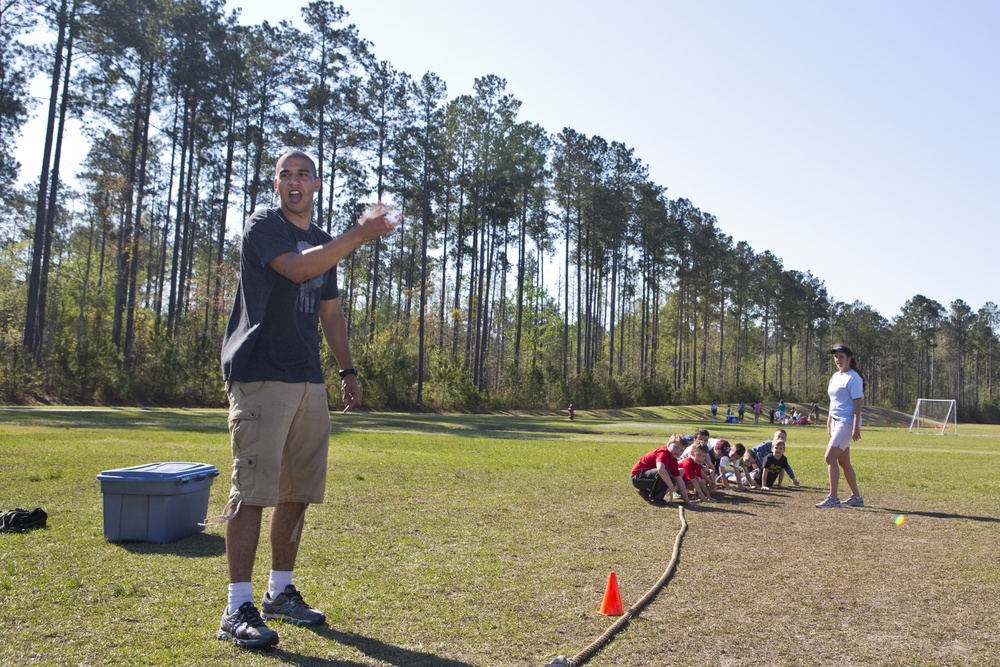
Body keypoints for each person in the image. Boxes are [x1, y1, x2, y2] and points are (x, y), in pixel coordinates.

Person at [215, 150, 400, 648]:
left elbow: (331, 313)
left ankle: (280, 593)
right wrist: (358, 235)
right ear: (276, 184)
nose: (294, 182)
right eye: (285, 175)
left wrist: (347, 369)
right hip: (260, 374)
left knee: (297, 493)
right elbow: (296, 271)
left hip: (306, 378)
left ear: (317, 184)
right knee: (252, 492)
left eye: (303, 175)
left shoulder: (324, 242)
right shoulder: (263, 226)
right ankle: (236, 607)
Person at [816, 344, 866, 508]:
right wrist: (829, 421)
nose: (838, 360)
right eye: (836, 357)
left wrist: (856, 426)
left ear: (849, 358)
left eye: (841, 357)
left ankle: (833, 498)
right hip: (837, 421)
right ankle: (856, 498)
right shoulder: (835, 376)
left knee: (829, 457)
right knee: (843, 462)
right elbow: (833, 401)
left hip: (847, 422)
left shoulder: (853, 378)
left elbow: (857, 403)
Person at [631, 434, 692, 506]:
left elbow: (679, 480)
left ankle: (652, 495)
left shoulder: (674, 460)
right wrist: (671, 486)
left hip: (648, 477)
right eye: (676, 447)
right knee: (664, 473)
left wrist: (687, 501)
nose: (678, 451)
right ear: (669, 444)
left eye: (681, 450)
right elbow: (660, 469)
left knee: (672, 477)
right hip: (638, 477)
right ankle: (653, 497)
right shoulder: (663, 452)